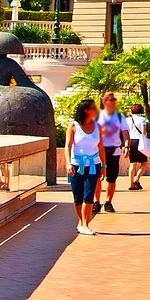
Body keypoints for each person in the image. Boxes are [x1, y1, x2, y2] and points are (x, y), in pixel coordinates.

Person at [67, 99, 104, 236]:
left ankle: (85, 224)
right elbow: (68, 146)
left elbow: (101, 147)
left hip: (94, 164)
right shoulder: (73, 126)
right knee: (78, 195)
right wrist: (68, 163)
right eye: (94, 108)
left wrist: (104, 165)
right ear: (86, 111)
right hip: (77, 165)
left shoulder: (98, 127)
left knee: (88, 195)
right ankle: (81, 222)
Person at [97, 92, 129, 212]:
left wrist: (127, 147)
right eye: (110, 99)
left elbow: (125, 133)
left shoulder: (120, 117)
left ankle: (108, 202)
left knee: (112, 178)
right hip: (99, 150)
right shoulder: (97, 116)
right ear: (104, 101)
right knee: (96, 177)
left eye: (114, 99)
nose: (112, 101)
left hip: (114, 151)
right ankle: (96, 201)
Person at [127, 110, 150, 192]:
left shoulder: (128, 120)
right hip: (139, 142)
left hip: (131, 141)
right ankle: (136, 179)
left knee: (132, 164)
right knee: (145, 163)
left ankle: (131, 184)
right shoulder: (142, 119)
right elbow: (144, 132)